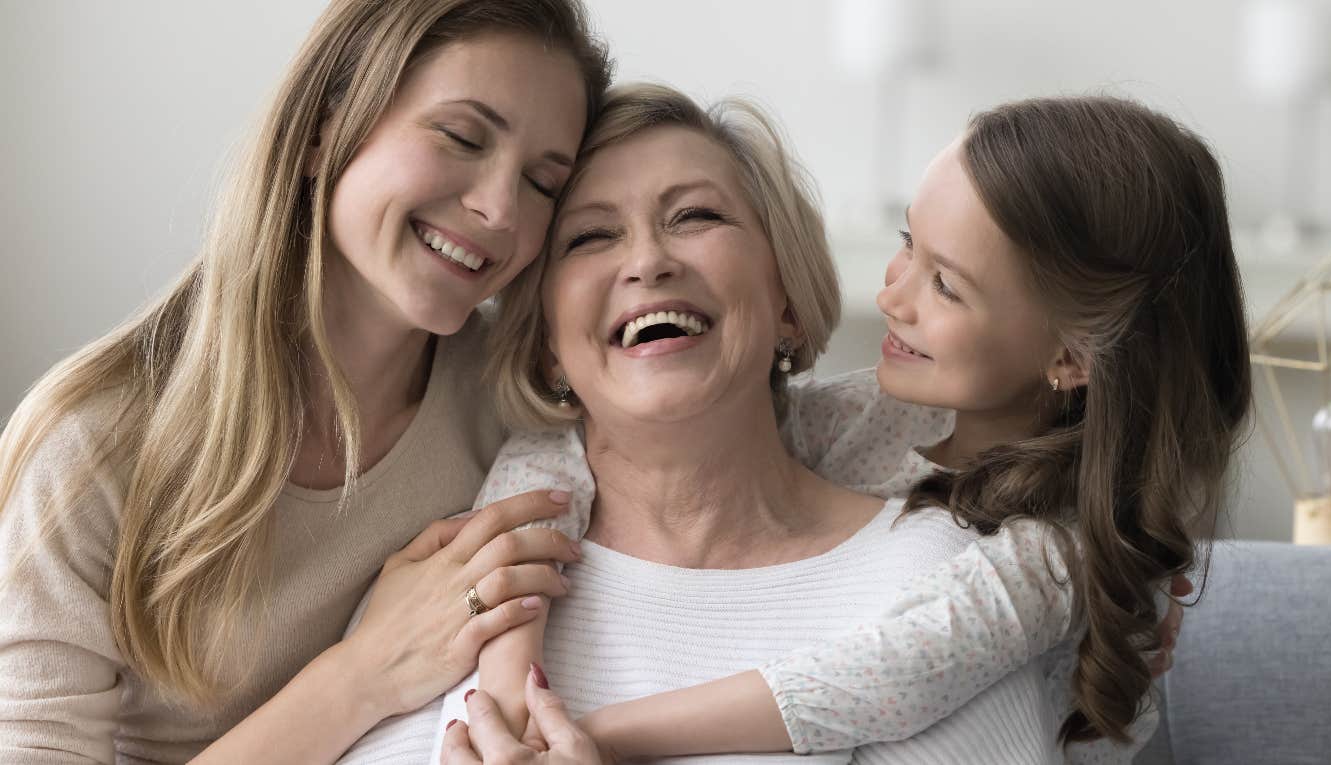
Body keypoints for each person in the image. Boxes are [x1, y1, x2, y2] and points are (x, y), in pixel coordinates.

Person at [353, 84, 1243, 764]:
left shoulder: (1001, 563)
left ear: (785, 300)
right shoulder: (445, 579)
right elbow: (560, 466)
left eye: (695, 215)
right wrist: (505, 690)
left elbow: (869, 682)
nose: (649, 260)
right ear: (545, 343)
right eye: (590, 237)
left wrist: (585, 736)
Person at [0, 1, 613, 762]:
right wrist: (362, 674)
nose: (499, 207)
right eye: (461, 136)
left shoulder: (515, 408)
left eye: (543, 183)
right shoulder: (91, 446)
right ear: (326, 127)